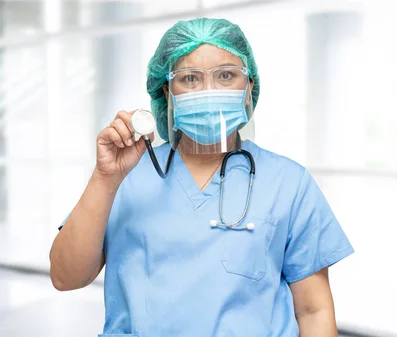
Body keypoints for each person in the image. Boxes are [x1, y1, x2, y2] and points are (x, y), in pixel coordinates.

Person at [49, 17, 353, 337]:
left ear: (249, 87)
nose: (208, 90)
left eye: (225, 75)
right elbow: (66, 278)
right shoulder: (125, 177)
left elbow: (313, 309)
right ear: (167, 91)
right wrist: (104, 177)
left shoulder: (289, 183)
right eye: (190, 78)